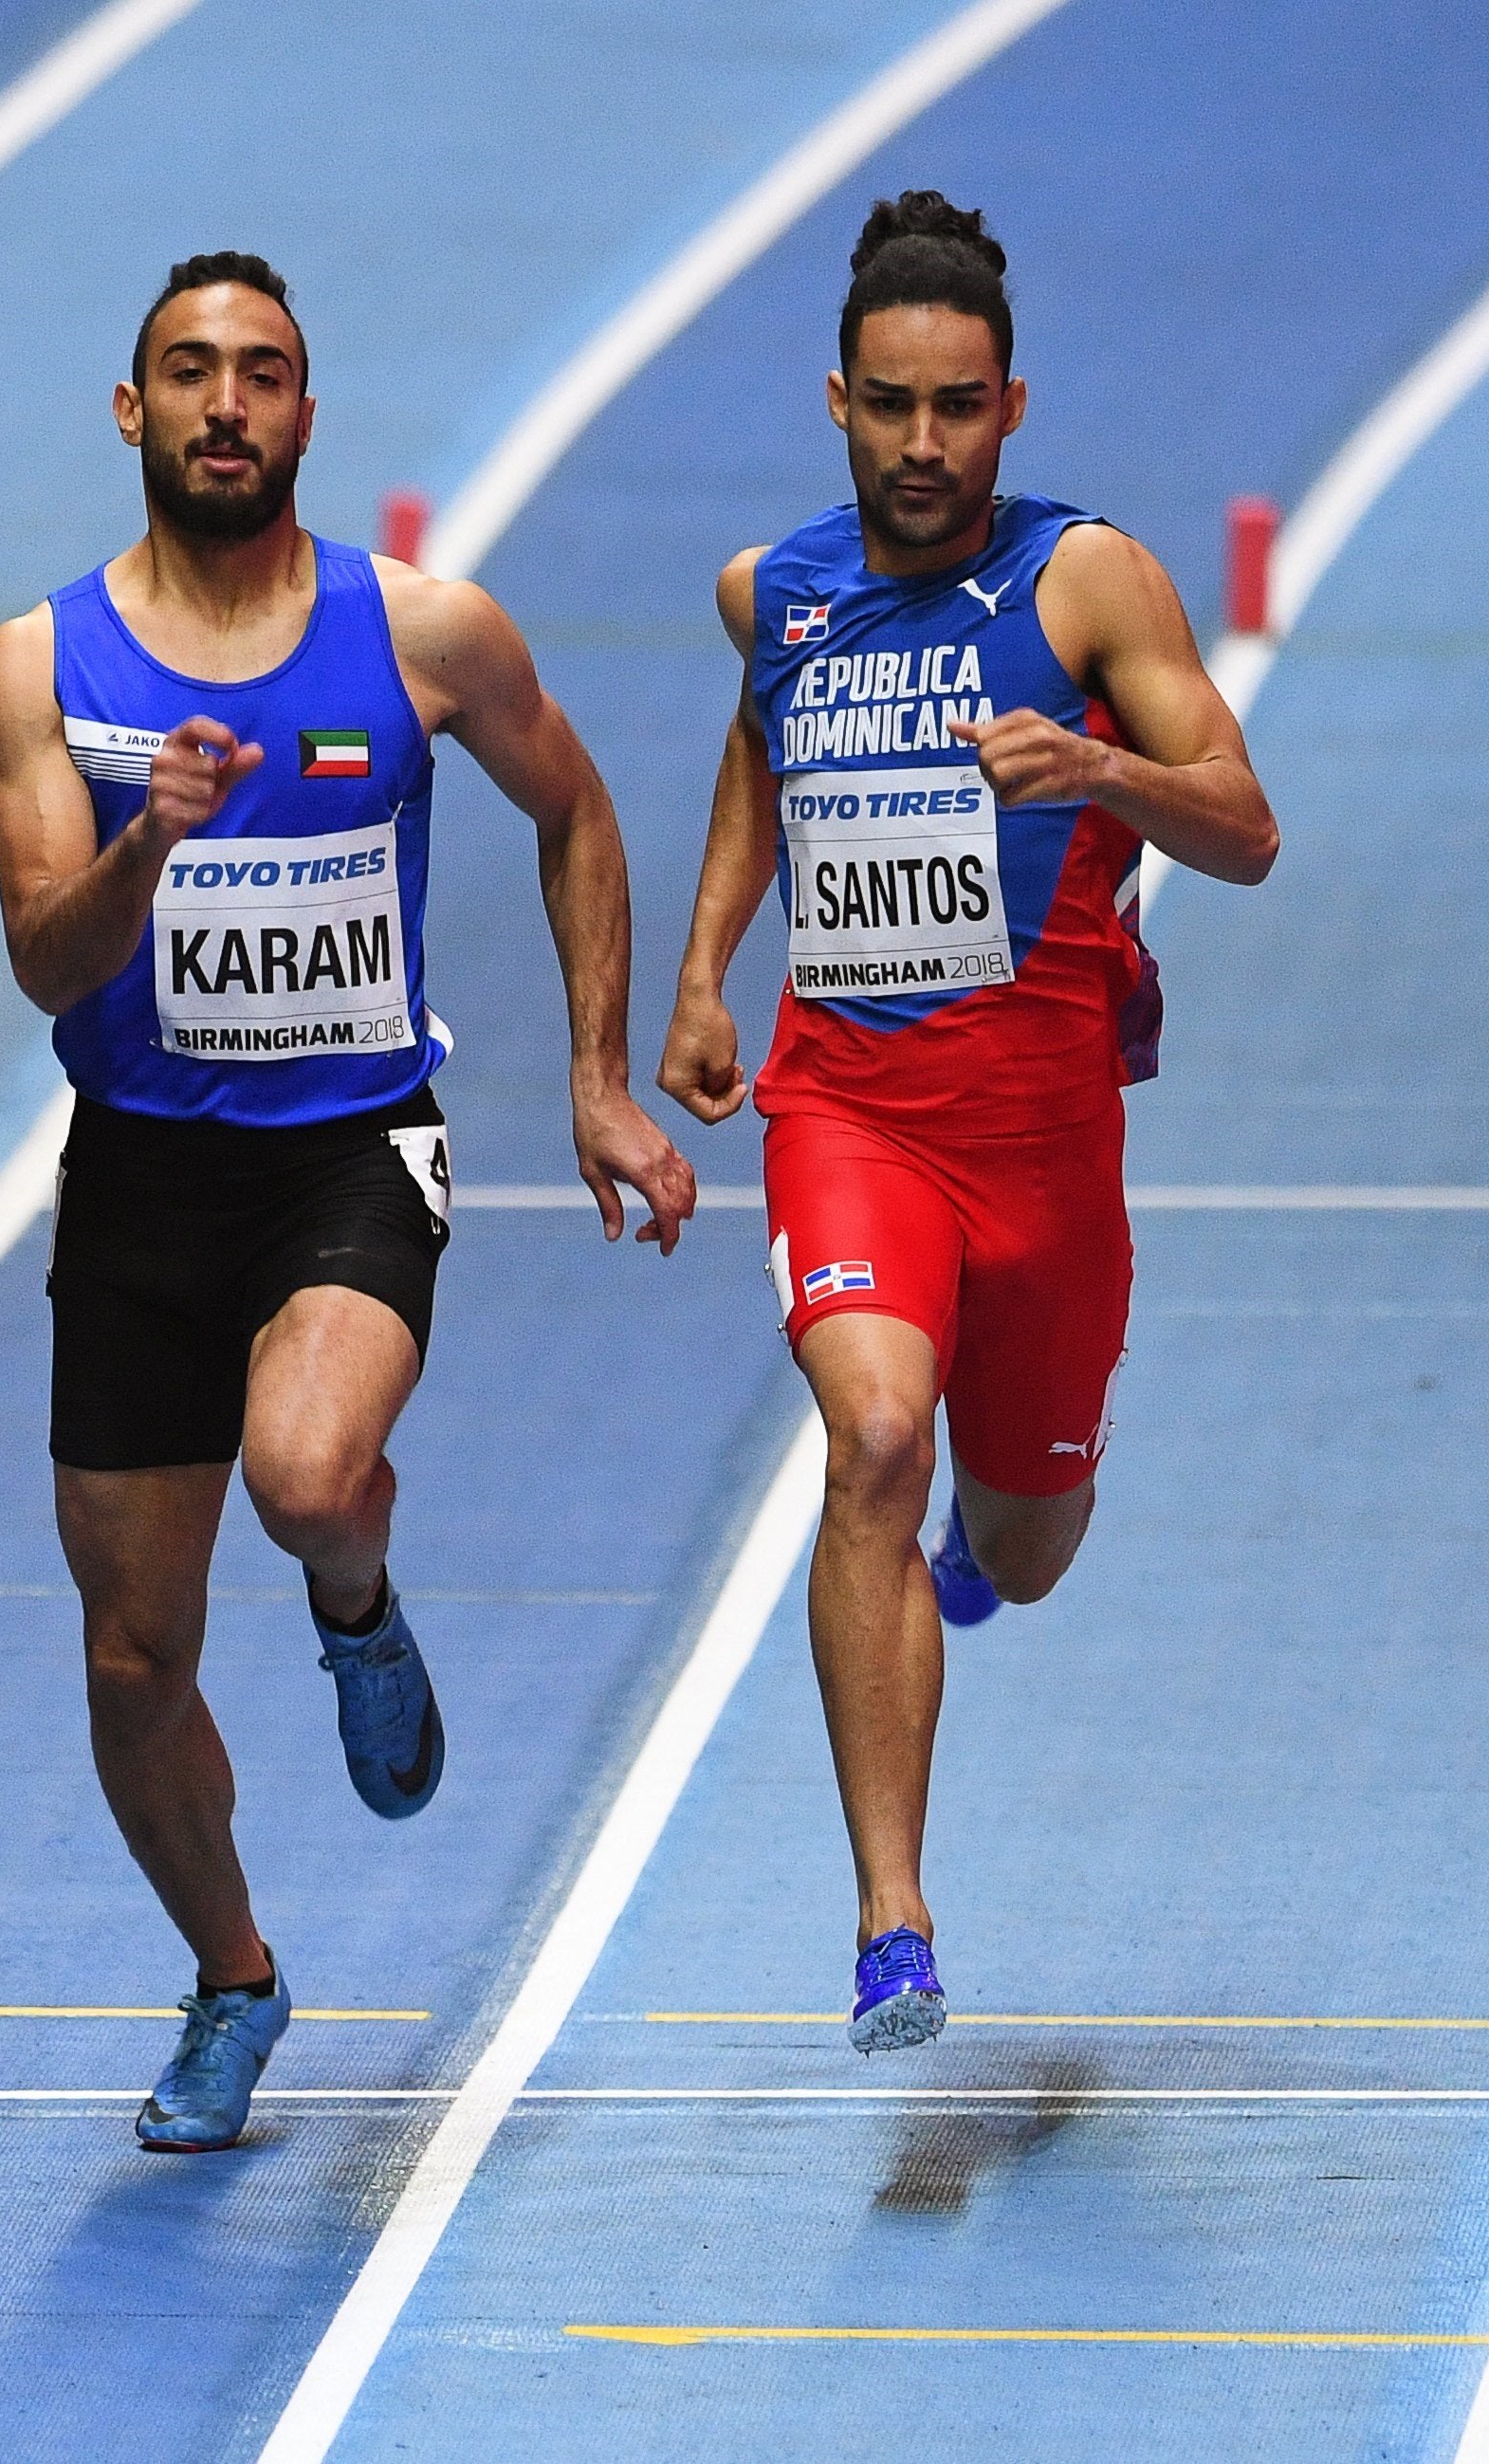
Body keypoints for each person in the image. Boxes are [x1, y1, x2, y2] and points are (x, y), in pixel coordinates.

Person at [0, 251, 692, 2153]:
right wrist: (151, 838)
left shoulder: (425, 633)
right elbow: (49, 962)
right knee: (133, 1659)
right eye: (190, 374)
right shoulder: (43, 666)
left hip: (348, 1153)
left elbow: (579, 811)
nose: (227, 405)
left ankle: (358, 1602)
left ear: (309, 416)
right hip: (138, 1176)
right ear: (130, 414)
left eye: (264, 375)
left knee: (304, 1475)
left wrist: (600, 1083)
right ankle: (234, 1979)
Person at [657, 193, 1277, 2053]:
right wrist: (701, 976)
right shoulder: (770, 594)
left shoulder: (1090, 583)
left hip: (1046, 1151)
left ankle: (964, 1580)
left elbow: (1243, 825)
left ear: (1011, 409)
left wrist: (1096, 764)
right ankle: (891, 1916)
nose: (924, 446)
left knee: (1028, 1537)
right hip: (849, 1113)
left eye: (962, 409)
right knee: (871, 1431)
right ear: (836, 401)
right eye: (892, 407)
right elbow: (761, 764)